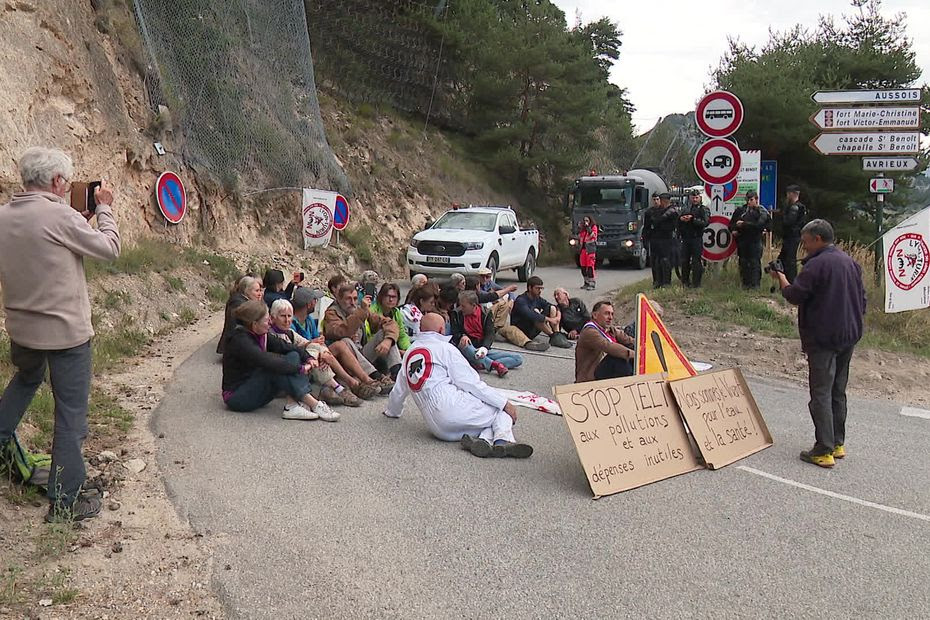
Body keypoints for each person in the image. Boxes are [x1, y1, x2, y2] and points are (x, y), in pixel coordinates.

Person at [0, 147, 121, 523]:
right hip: (66, 335)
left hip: (22, 329)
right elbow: (110, 249)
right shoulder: (61, 215)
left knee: (26, 379)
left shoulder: (4, 215)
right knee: (70, 418)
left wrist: (74, 222)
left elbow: (38, 246)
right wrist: (103, 209)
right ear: (56, 181)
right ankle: (65, 503)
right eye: (67, 181)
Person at [771, 219, 865, 469]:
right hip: (849, 335)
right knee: (838, 390)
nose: (804, 247)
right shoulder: (850, 262)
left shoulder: (816, 266)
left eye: (806, 242)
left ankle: (823, 450)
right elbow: (862, 299)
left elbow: (794, 295)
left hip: (824, 337)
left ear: (818, 239)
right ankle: (837, 442)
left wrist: (781, 277)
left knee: (821, 393)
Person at [383, 313, 533, 459]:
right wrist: (504, 403)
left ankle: (484, 442)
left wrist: (392, 411)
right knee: (499, 410)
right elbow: (471, 383)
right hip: (452, 409)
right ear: (442, 330)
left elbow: (399, 391)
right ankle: (503, 441)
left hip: (437, 429)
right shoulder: (445, 349)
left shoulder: (409, 352)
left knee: (485, 420)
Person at [222, 301, 339, 421]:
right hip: (238, 397)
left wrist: (309, 358)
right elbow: (266, 361)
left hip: (255, 387)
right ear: (254, 323)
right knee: (273, 367)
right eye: (267, 320)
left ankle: (292, 405)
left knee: (293, 355)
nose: (270, 323)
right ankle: (313, 404)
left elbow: (287, 346)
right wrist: (300, 368)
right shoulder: (240, 340)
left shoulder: (262, 334)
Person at [269, 298, 362, 407]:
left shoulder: (290, 332)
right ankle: (339, 387)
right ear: (273, 317)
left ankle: (337, 386)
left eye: (289, 316)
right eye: (282, 316)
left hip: (307, 366)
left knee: (316, 348)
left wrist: (323, 353)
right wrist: (315, 356)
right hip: (284, 373)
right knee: (320, 349)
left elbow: (308, 343)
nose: (287, 320)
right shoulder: (271, 335)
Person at [291, 286, 379, 400]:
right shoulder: (292, 322)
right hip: (305, 359)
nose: (316, 302)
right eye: (314, 300)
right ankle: (355, 383)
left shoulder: (309, 320)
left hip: (317, 353)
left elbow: (318, 339)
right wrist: (311, 343)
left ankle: (366, 380)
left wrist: (320, 342)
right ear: (309, 304)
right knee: (340, 344)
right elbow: (291, 346)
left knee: (339, 346)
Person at [324, 283, 401, 385]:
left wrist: (388, 341)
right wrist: (359, 314)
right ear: (339, 299)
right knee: (345, 341)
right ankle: (376, 376)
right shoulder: (331, 313)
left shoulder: (360, 310)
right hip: (346, 360)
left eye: (355, 299)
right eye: (348, 299)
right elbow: (340, 332)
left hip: (362, 353)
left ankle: (398, 374)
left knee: (385, 333)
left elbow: (389, 323)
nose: (352, 303)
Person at [450, 291, 524, 377]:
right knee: (465, 345)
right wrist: (463, 335)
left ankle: (481, 363)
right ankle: (493, 365)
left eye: (464, 306)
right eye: (460, 305)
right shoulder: (456, 314)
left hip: (481, 349)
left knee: (518, 358)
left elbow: (490, 333)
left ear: (473, 305)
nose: (461, 308)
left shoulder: (486, 313)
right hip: (468, 347)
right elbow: (455, 332)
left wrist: (484, 348)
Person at [574, 301, 636, 382]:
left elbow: (629, 340)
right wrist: (636, 355)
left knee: (630, 350)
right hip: (590, 378)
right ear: (595, 315)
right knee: (617, 357)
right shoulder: (589, 331)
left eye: (612, 314)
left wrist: (645, 347)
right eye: (607, 313)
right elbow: (608, 346)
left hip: (603, 373)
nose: (610, 317)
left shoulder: (610, 330)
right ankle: (630, 384)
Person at [510, 276, 572, 349]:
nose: (540, 291)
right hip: (522, 330)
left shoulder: (537, 298)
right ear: (530, 288)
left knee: (552, 308)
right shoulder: (521, 300)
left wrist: (558, 316)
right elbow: (531, 315)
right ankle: (553, 335)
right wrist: (551, 320)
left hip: (532, 328)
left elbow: (551, 305)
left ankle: (556, 334)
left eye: (541, 288)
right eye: (537, 288)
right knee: (536, 314)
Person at [729, 190, 771, 289]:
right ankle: (745, 284)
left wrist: (745, 224)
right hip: (742, 240)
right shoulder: (741, 210)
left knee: (754, 263)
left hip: (755, 240)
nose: (749, 202)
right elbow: (731, 223)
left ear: (756, 199)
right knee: (743, 262)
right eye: (747, 200)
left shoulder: (761, 211)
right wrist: (734, 230)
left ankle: (755, 285)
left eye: (751, 199)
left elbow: (762, 225)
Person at [217, 275, 262, 354]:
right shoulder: (238, 303)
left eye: (260, 291)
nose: (259, 294)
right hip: (234, 347)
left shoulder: (240, 300)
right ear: (247, 291)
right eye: (257, 291)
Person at [642, 192, 679, 288]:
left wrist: (657, 221)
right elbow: (646, 227)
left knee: (665, 261)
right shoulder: (650, 212)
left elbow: (671, 223)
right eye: (654, 199)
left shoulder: (671, 211)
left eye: (659, 200)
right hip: (654, 239)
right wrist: (646, 239)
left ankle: (666, 282)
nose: (657, 202)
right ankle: (657, 281)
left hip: (666, 239)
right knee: (655, 261)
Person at [366, 283, 411, 357]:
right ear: (381, 297)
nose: (391, 300)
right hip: (376, 347)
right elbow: (371, 336)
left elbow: (402, 335)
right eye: (388, 296)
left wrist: (409, 350)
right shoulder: (372, 311)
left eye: (394, 297)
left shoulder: (396, 312)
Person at [678, 191, 710, 288]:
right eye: (693, 197)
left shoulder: (703, 209)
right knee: (684, 261)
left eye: (696, 197)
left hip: (696, 238)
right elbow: (678, 222)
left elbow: (705, 222)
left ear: (700, 198)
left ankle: (696, 283)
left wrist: (693, 219)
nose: (695, 199)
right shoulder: (686, 209)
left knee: (696, 261)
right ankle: (685, 282)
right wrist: (681, 219)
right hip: (686, 238)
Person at [778, 184, 807, 283]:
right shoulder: (798, 207)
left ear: (793, 194)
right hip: (791, 236)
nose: (787, 196)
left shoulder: (794, 208)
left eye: (788, 193)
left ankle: (790, 282)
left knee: (789, 261)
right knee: (784, 259)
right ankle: (784, 281)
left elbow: (788, 222)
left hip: (792, 237)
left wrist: (783, 214)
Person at [578, 215, 599, 290]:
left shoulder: (593, 227)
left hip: (590, 250)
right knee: (583, 267)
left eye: (587, 220)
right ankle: (586, 282)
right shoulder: (583, 229)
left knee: (590, 267)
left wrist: (588, 228)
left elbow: (592, 235)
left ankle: (592, 283)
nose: (585, 222)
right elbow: (580, 237)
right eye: (584, 220)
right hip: (583, 250)